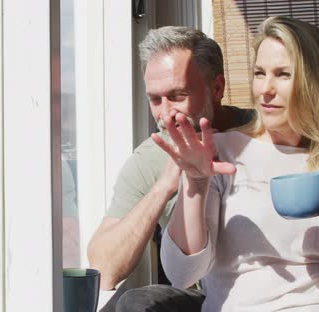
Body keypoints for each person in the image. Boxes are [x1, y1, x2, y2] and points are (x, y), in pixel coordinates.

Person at [152, 16, 319, 311]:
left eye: (283, 74)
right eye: (259, 73)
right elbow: (181, 274)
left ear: (316, 83)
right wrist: (196, 186)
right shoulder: (221, 153)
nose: (265, 89)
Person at [87, 26, 254, 309]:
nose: (165, 115)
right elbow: (105, 269)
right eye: (155, 99)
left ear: (217, 88)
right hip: (211, 296)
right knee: (138, 302)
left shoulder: (264, 134)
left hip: (277, 287)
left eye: (177, 96)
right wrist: (165, 184)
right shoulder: (150, 159)